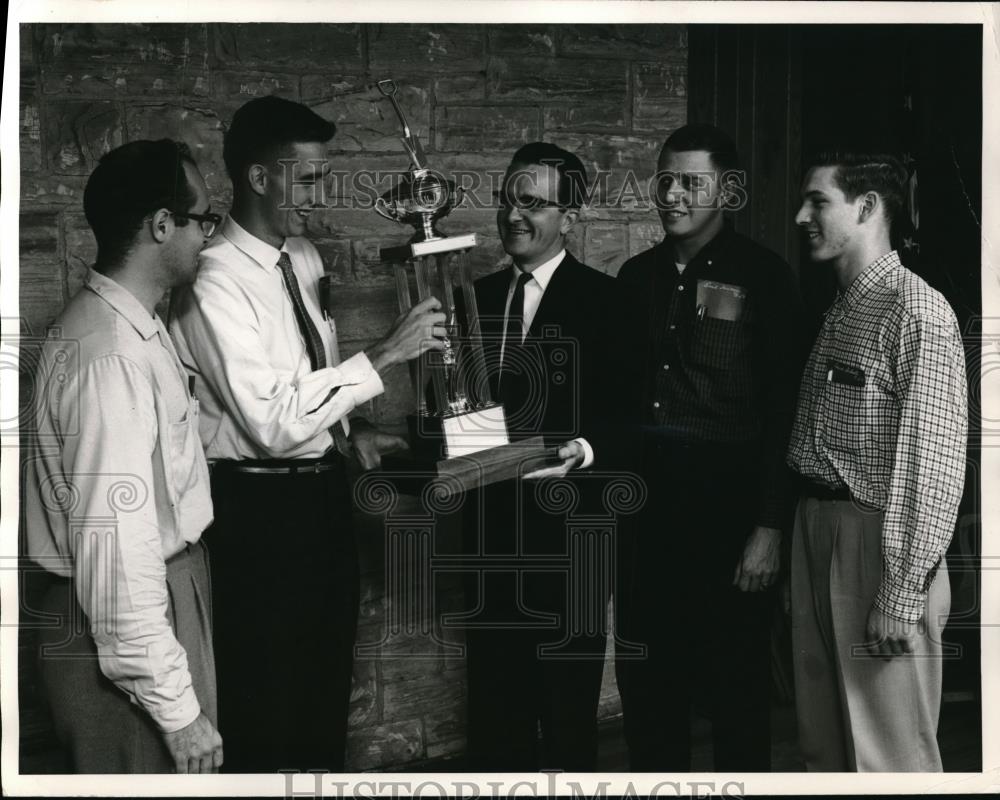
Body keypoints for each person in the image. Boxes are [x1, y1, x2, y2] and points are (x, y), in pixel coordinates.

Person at [168, 96, 444, 772]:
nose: (320, 199)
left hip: (322, 505)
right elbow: (271, 423)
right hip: (256, 518)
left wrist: (351, 437)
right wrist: (384, 354)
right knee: (267, 708)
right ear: (259, 178)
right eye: (310, 181)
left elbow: (306, 376)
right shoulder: (211, 280)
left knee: (324, 694)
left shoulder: (303, 256)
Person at [23, 139, 223, 773]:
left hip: (151, 601)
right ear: (162, 225)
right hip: (124, 622)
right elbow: (116, 558)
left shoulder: (122, 324)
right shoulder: (112, 357)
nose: (208, 238)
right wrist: (180, 713)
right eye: (203, 221)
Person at [614, 124, 807, 771]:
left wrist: (770, 527)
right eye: (664, 178)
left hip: (729, 513)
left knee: (737, 693)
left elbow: (785, 410)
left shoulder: (766, 276)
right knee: (649, 689)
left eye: (690, 182)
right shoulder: (634, 278)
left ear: (726, 190)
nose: (671, 194)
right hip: (645, 514)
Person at [787, 152, 967, 771]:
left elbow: (933, 464)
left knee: (888, 758)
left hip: (878, 541)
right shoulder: (843, 306)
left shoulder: (915, 311)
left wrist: (900, 587)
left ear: (866, 208)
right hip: (819, 529)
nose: (800, 215)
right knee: (827, 747)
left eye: (818, 201)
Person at [460, 141, 630, 771]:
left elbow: (630, 419)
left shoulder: (608, 303)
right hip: (489, 542)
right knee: (493, 717)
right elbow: (466, 418)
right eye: (508, 198)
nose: (513, 214)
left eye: (532, 202)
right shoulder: (472, 299)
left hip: (571, 546)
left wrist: (583, 450)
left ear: (571, 217)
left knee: (566, 723)